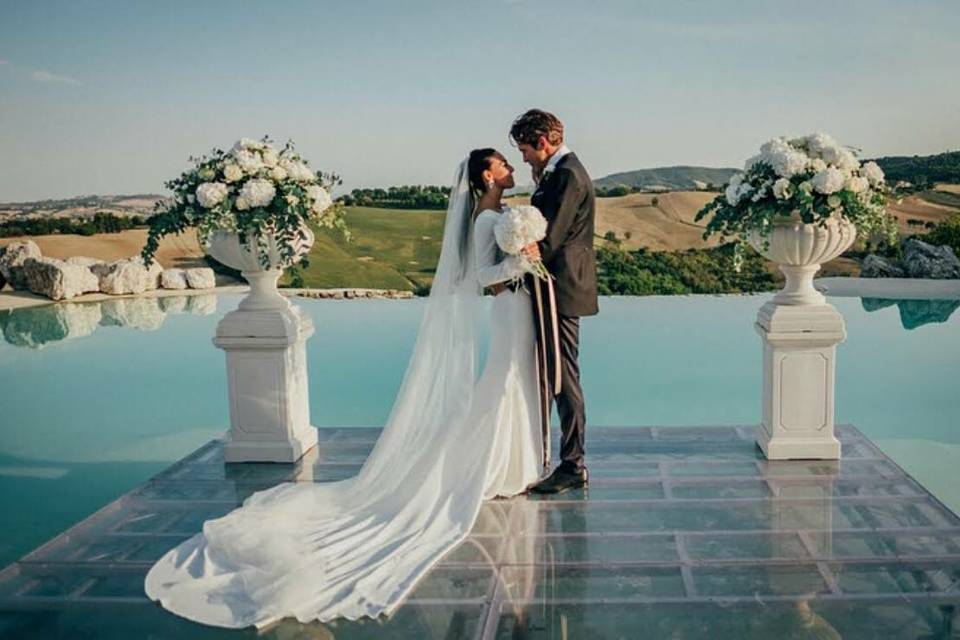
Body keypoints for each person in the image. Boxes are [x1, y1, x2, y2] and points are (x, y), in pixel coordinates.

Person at [143, 149, 544, 629]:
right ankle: (490, 468)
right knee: (499, 386)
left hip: (519, 309)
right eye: (502, 163)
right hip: (509, 308)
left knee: (507, 384)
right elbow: (485, 277)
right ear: (486, 174)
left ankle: (505, 465)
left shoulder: (496, 214)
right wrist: (523, 260)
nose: (509, 168)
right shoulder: (484, 221)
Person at [510, 108, 599, 494]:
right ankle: (558, 456)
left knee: (564, 376)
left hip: (560, 288)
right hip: (557, 285)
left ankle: (574, 463)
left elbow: (549, 239)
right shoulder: (560, 171)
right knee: (558, 373)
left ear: (543, 142)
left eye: (525, 149)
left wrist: (512, 254)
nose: (523, 157)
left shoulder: (566, 175)